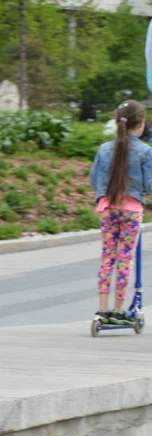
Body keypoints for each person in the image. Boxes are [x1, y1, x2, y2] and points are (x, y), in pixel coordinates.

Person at [89, 100, 152, 326]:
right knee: (124, 259)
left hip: (108, 208)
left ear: (117, 122)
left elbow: (93, 179)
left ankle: (102, 309)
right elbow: (149, 184)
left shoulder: (104, 149)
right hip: (131, 211)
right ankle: (118, 310)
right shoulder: (145, 152)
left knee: (107, 257)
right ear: (141, 124)